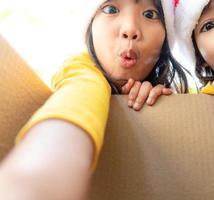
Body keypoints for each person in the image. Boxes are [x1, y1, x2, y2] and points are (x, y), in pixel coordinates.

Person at [0, 0, 187, 199]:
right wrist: (32, 182)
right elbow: (78, 99)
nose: (130, 29)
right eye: (111, 9)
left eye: (150, 14)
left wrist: (164, 106)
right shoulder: (83, 72)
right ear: (90, 27)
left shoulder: (172, 92)